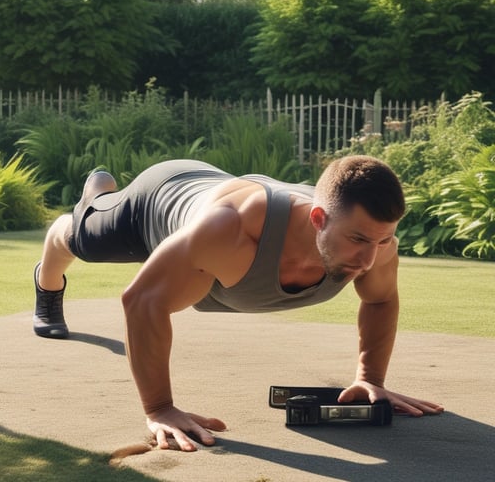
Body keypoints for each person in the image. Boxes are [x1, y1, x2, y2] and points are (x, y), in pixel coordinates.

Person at [32, 157, 445, 451]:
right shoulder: (229, 232)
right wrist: (159, 409)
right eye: (358, 240)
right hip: (161, 198)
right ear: (318, 219)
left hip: (226, 193)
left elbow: (381, 298)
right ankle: (91, 207)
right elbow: (140, 299)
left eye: (384, 240)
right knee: (83, 239)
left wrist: (370, 376)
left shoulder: (372, 239)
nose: (371, 259)